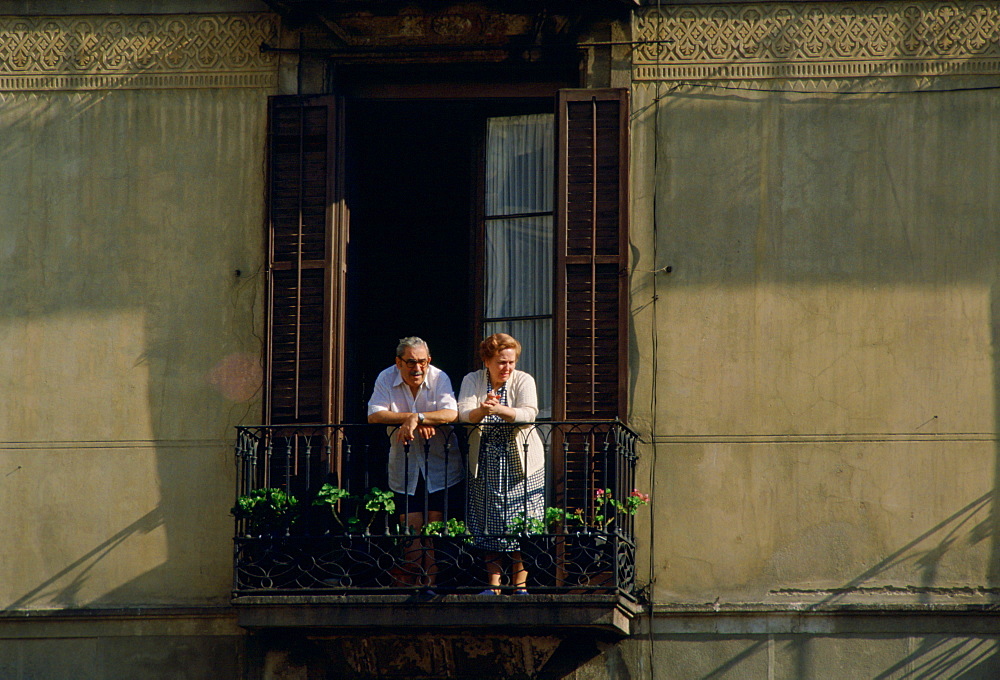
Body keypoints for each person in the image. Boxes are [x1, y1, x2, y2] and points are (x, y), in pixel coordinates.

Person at [367, 336, 461, 587]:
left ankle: (428, 583)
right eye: (410, 362)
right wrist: (413, 418)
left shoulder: (439, 377)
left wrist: (419, 418)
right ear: (398, 362)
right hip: (404, 466)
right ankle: (419, 585)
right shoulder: (386, 378)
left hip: (440, 466)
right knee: (410, 527)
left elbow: (451, 413)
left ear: (428, 360)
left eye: (422, 362)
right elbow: (374, 414)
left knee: (433, 526)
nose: (417, 368)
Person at [457, 333, 544, 594]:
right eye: (501, 362)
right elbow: (463, 414)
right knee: (488, 523)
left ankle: (520, 586)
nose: (507, 367)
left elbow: (529, 414)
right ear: (487, 360)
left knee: (520, 525)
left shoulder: (523, 380)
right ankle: (493, 586)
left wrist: (499, 410)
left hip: (522, 464)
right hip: (485, 464)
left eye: (511, 362)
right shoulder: (472, 380)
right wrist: (482, 410)